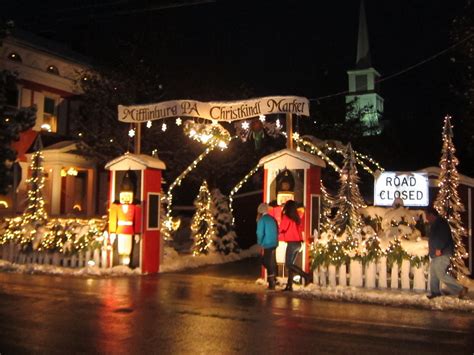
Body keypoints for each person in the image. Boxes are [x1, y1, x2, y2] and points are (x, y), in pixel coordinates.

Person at [426, 206, 468, 299]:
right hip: (437, 253)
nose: (426, 218)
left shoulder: (440, 223)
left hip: (442, 253)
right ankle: (435, 292)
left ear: (431, 215)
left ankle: (460, 288)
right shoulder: (436, 223)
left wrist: (438, 248)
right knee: (433, 272)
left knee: (441, 274)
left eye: (427, 216)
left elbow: (443, 236)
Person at [279, 200, 312, 291]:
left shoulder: (287, 217)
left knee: (288, 264)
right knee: (291, 265)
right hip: (298, 243)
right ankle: (289, 286)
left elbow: (282, 228)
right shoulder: (296, 217)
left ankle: (306, 275)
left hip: (292, 243)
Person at [256, 203, 278, 290]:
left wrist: (260, 242)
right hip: (274, 243)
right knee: (269, 262)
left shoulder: (262, 220)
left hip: (267, 244)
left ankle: (272, 282)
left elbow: (259, 233)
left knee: (265, 262)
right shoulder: (272, 219)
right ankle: (272, 279)